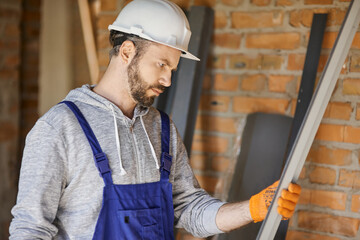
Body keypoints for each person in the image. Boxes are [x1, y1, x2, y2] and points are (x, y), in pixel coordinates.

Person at [9, 0, 301, 239]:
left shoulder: (162, 128)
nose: (168, 80)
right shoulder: (59, 128)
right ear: (127, 51)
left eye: (172, 68)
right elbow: (30, 230)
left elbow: (190, 210)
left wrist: (253, 208)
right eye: (162, 64)